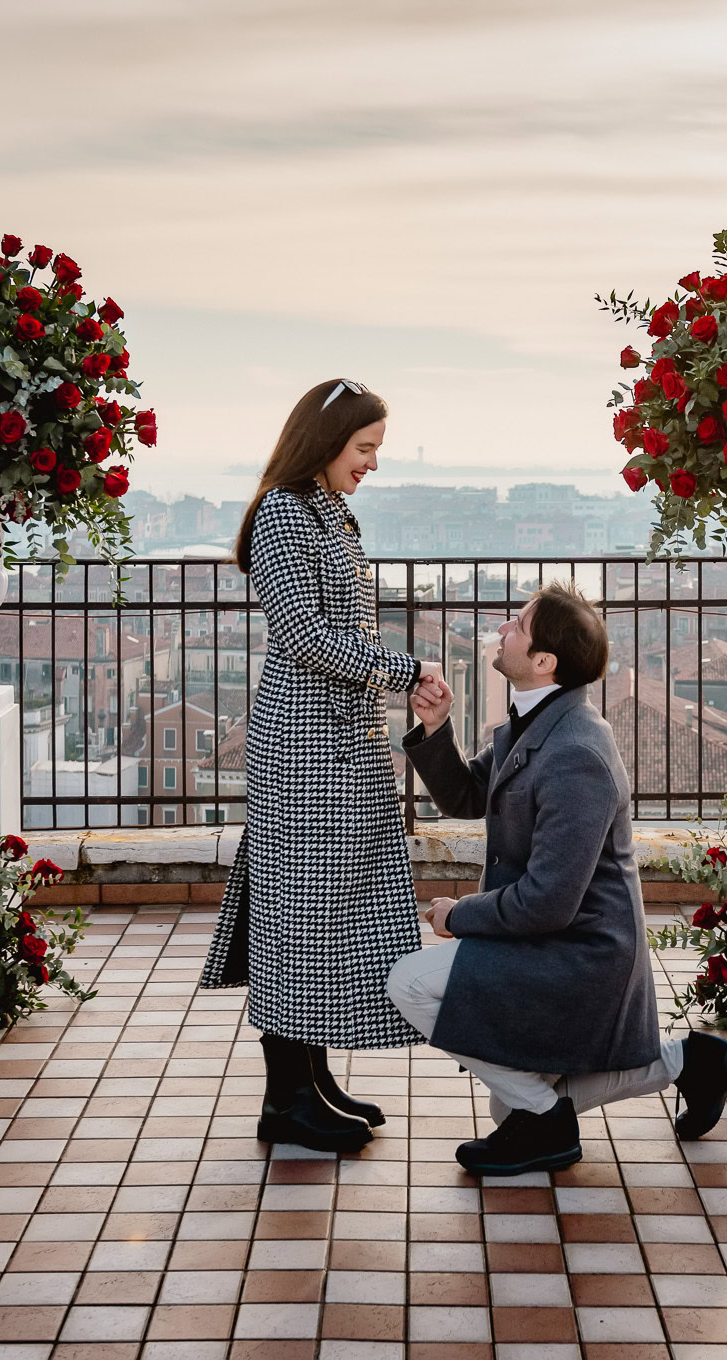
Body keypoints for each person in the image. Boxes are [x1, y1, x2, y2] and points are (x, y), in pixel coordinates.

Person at [386, 580, 727, 1176]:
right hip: (552, 938)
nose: (503, 629)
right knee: (517, 1103)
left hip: (579, 953)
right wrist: (434, 726)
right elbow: (466, 794)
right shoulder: (534, 722)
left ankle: (550, 1123)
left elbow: (549, 901)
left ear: (543, 661)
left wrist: (458, 916)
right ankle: (689, 1061)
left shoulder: (577, 751)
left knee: (410, 984)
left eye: (518, 625)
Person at [200, 378, 439, 1154]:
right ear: (325, 440)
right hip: (305, 744)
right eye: (364, 447)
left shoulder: (328, 510)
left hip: (343, 739)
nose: (372, 462)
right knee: (297, 917)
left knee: (329, 915)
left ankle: (313, 1081)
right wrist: (403, 672)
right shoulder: (281, 515)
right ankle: (285, 1100)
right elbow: (302, 634)